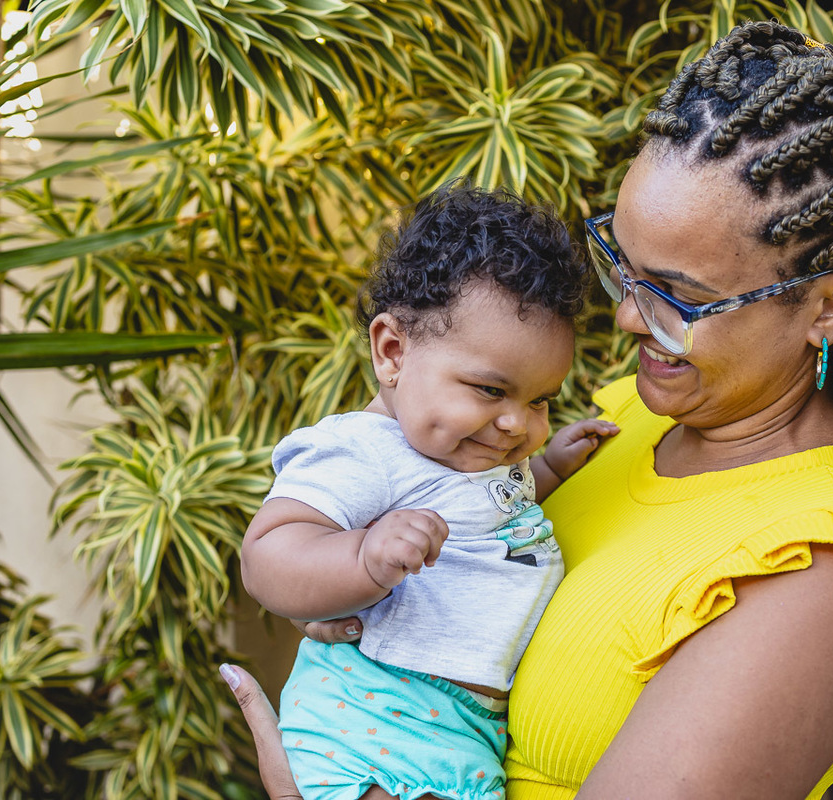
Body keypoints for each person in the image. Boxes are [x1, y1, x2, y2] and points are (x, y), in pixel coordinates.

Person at [222, 20, 833, 800]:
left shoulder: (818, 573)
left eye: (678, 296)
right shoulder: (630, 420)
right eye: (622, 268)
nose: (629, 318)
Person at [239, 181, 619, 800]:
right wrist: (362, 557)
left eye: (540, 400)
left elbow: (492, 516)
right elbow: (267, 556)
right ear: (392, 352)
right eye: (491, 391)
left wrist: (549, 468)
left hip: (464, 734)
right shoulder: (364, 451)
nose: (518, 423)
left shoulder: (472, 453)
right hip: (375, 720)